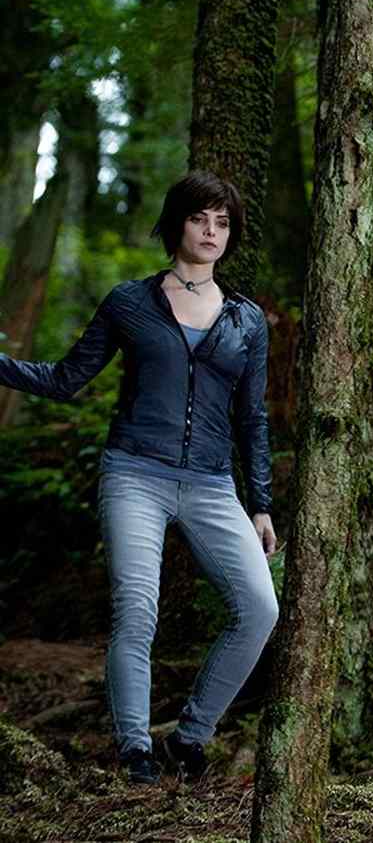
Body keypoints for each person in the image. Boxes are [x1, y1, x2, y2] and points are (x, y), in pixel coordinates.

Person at [0, 171, 279, 784]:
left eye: (222, 223)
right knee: (136, 610)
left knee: (260, 609)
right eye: (199, 219)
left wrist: (260, 505)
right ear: (176, 224)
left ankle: (191, 736)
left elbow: (251, 418)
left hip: (212, 484)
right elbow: (65, 380)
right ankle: (134, 748)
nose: (211, 232)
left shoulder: (246, 319)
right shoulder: (130, 302)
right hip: (134, 474)